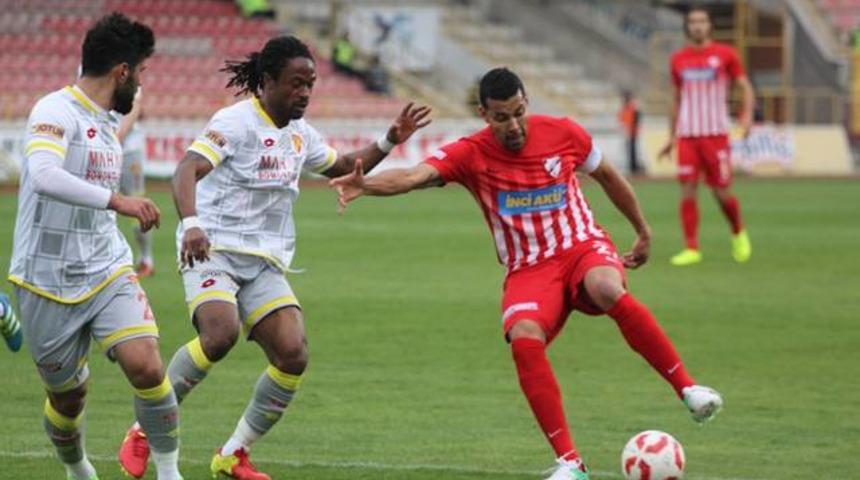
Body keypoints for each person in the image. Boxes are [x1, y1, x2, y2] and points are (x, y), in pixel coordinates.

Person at [330, 68, 722, 480]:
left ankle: (689, 389)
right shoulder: (471, 153)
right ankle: (571, 463)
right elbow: (413, 176)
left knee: (606, 285)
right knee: (523, 336)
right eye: (501, 117)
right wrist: (367, 185)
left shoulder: (564, 133)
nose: (513, 125)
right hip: (529, 267)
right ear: (484, 114)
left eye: (519, 112)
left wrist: (642, 230)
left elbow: (608, 176)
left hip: (581, 246)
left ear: (527, 102)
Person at [117, 35, 431, 480]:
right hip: (213, 249)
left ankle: (232, 454)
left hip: (264, 260)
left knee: (292, 353)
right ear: (266, 82)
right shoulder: (235, 122)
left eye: (311, 84)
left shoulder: (300, 135)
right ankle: (143, 429)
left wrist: (388, 139)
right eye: (295, 83)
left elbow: (344, 167)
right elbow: (186, 168)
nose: (304, 92)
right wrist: (191, 225)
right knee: (219, 334)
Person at [7, 13, 182, 480]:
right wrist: (118, 200)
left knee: (146, 365)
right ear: (122, 71)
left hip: (106, 268)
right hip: (45, 279)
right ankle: (77, 467)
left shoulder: (106, 121)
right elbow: (43, 175)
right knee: (69, 397)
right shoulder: (54, 110)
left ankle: (169, 471)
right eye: (141, 72)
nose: (142, 84)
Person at [658, 5, 754, 266]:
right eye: (693, 22)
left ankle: (738, 231)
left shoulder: (725, 54)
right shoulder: (678, 59)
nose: (697, 26)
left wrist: (746, 117)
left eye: (702, 21)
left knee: (722, 193)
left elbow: (744, 87)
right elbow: (675, 98)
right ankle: (691, 247)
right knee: (687, 190)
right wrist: (671, 136)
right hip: (688, 135)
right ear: (687, 27)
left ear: (709, 26)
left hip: (716, 135)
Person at [116, 87, 155, 277]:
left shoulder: (128, 67)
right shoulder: (89, 67)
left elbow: (135, 106)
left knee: (138, 206)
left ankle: (146, 260)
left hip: (129, 151)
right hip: (102, 149)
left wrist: (118, 136)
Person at [617, 90, 642, 175]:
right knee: (630, 150)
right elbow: (622, 119)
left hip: (632, 132)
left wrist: (632, 129)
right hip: (628, 132)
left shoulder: (632, 107)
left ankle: (633, 168)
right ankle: (632, 167)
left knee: (632, 150)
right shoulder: (627, 108)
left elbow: (636, 119)